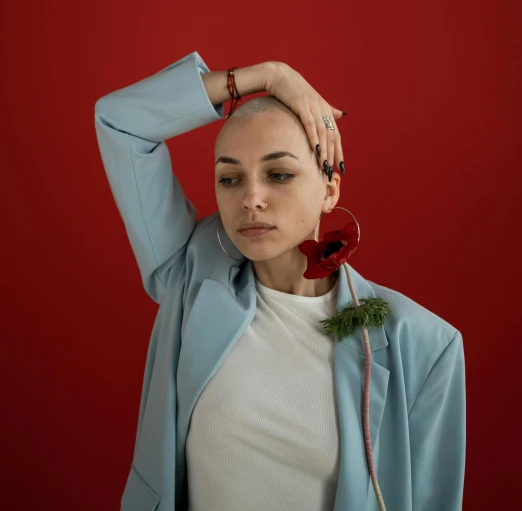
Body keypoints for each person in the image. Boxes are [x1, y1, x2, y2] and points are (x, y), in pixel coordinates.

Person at [94, 51, 466, 511]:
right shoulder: (189, 275)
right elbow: (121, 121)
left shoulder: (424, 346)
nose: (251, 198)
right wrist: (269, 75)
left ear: (330, 189)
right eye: (229, 179)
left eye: (279, 174)